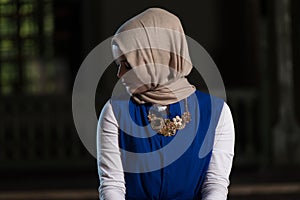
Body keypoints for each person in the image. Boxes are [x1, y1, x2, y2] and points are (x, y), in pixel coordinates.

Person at [97, 7, 234, 200]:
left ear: (155, 59)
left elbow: (215, 185)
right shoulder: (115, 112)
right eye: (118, 65)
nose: (119, 75)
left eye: (127, 64)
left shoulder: (216, 113)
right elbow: (112, 186)